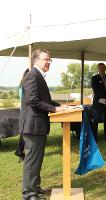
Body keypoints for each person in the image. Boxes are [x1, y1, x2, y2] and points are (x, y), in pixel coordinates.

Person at [19, 49, 66, 200]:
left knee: (37, 159)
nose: (48, 62)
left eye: (49, 60)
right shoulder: (32, 75)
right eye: (46, 59)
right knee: (32, 161)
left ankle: (35, 187)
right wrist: (54, 109)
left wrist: (61, 106)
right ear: (36, 60)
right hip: (33, 126)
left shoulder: (38, 76)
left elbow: (44, 100)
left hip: (38, 125)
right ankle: (29, 194)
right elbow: (33, 100)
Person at [91, 63, 106, 141]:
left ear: (105, 69)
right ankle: (94, 138)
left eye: (103, 68)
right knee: (96, 120)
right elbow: (96, 90)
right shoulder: (94, 78)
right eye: (100, 68)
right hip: (98, 103)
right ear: (98, 69)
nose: (101, 69)